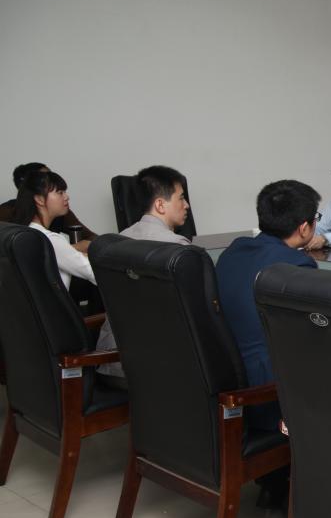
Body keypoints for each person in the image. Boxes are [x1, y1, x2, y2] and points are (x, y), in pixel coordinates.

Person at [216, 180, 320, 432]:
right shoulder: (296, 265)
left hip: (224, 378)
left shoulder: (234, 250)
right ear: (304, 227)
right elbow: (309, 337)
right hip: (265, 394)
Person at [96, 165, 192, 386]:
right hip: (156, 368)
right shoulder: (178, 249)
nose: (186, 205)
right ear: (160, 204)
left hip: (111, 362)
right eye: (181, 198)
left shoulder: (117, 240)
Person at [12, 170, 95, 289]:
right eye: (60, 192)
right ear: (40, 199)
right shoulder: (50, 239)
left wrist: (73, 252)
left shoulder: (25, 231)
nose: (67, 197)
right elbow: (93, 273)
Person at [1, 163, 97, 251]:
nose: (66, 197)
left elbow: (91, 237)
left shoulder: (61, 212)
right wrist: (67, 250)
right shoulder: (6, 212)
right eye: (45, 178)